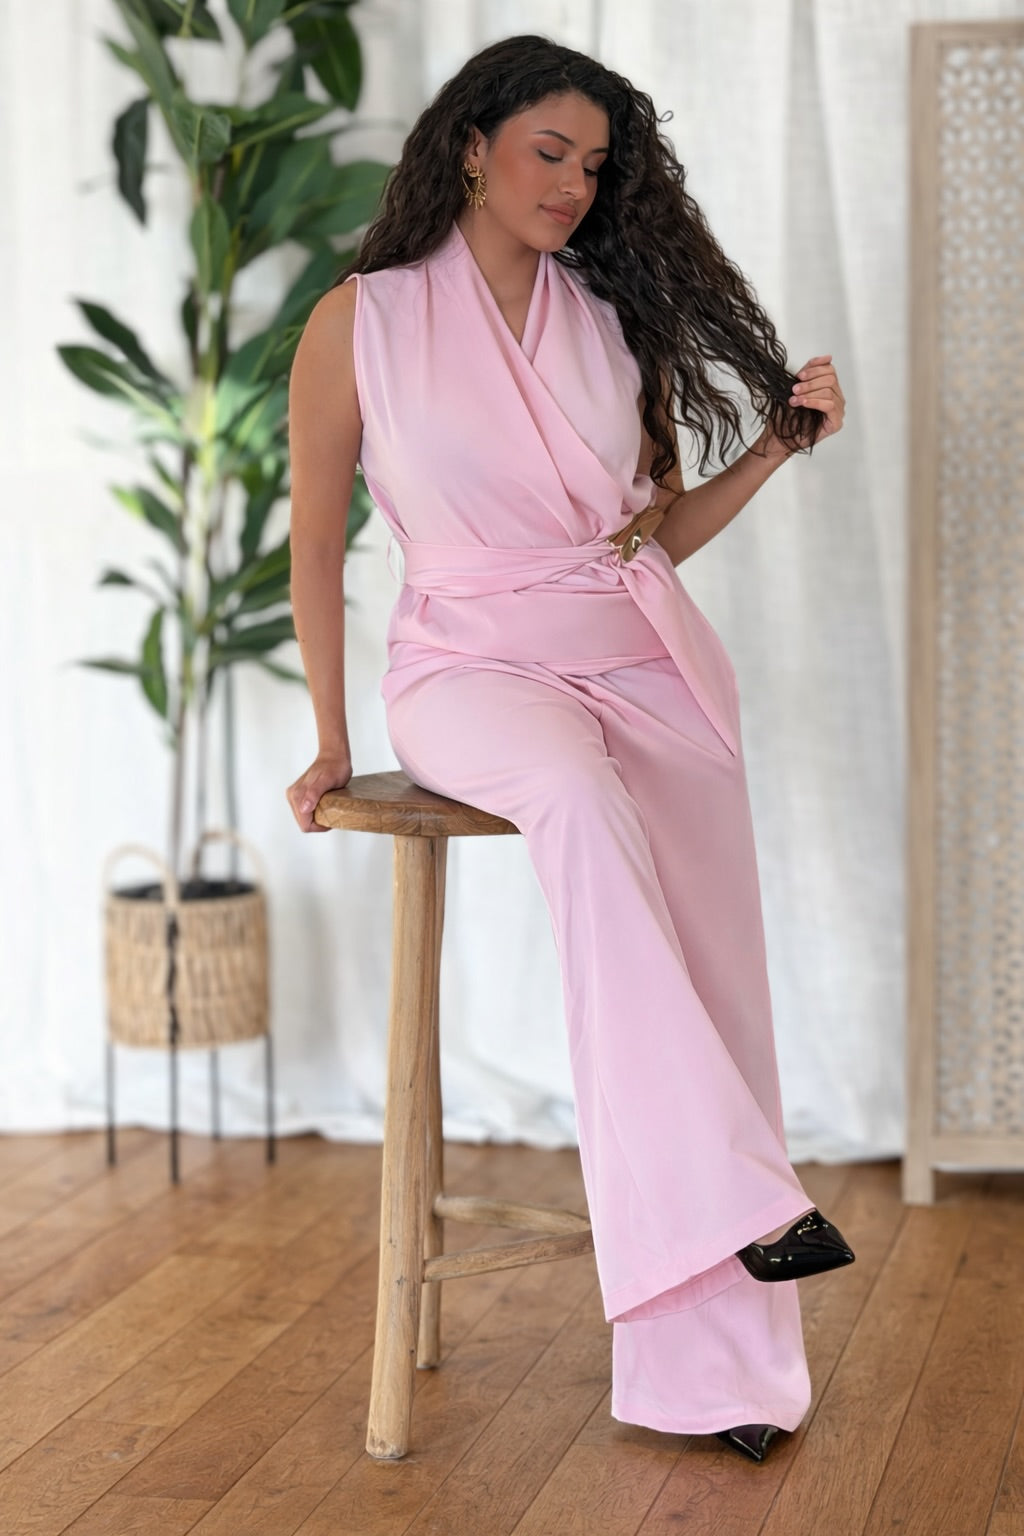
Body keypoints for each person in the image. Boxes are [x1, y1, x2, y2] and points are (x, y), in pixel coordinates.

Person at [285, 34, 854, 1464]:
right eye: (549, 153)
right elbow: (314, 542)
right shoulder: (360, 320)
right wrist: (331, 737)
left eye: (595, 167)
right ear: (471, 145)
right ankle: (744, 1195)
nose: (574, 186)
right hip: (468, 667)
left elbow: (648, 538)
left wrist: (774, 448)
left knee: (714, 967)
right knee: (580, 806)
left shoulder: (609, 319)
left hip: (637, 653)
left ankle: (723, 1378)